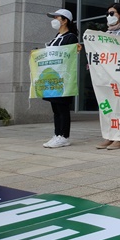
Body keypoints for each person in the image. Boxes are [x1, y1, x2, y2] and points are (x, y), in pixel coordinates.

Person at [95, 2, 120, 150]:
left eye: (112, 13)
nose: (109, 17)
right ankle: (110, 135)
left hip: (119, 77)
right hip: (106, 77)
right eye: (107, 14)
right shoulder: (106, 33)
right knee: (109, 107)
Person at [43, 9, 81, 148]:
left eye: (56, 17)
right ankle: (57, 134)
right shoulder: (56, 37)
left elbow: (67, 55)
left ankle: (64, 136)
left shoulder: (70, 37)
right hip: (52, 77)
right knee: (55, 108)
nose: (54, 20)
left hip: (64, 78)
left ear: (65, 20)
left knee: (62, 107)